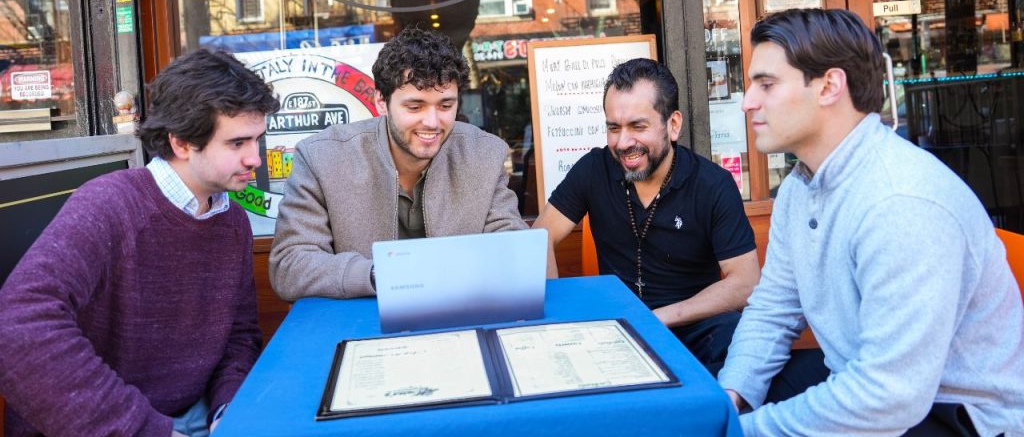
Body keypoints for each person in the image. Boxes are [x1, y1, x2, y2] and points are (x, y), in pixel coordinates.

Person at [718, 8, 1024, 436]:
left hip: (956, 416)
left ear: (829, 86)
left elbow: (889, 395)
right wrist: (729, 402)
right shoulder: (799, 188)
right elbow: (774, 309)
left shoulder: (900, 201)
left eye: (766, 85)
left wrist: (741, 432)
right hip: (875, 387)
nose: (748, 101)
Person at [0, 49, 280, 437]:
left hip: (197, 416)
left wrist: (228, 409)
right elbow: (17, 325)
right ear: (182, 143)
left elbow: (239, 336)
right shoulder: (109, 204)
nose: (256, 159)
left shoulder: (231, 220)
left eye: (257, 140)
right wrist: (149, 430)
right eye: (237, 143)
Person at [532, 58, 760, 373]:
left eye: (638, 126)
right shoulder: (593, 169)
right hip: (615, 329)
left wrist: (658, 319)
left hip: (691, 329)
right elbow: (540, 235)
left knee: (737, 335)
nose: (623, 142)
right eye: (614, 127)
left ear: (673, 125)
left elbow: (745, 283)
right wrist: (553, 320)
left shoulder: (711, 184)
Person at [270, 26, 527, 301]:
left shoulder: (485, 154)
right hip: (361, 324)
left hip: (461, 314)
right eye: (415, 107)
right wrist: (380, 275)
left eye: (445, 105)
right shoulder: (321, 157)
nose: (432, 122)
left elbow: (513, 246)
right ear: (381, 101)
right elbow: (290, 266)